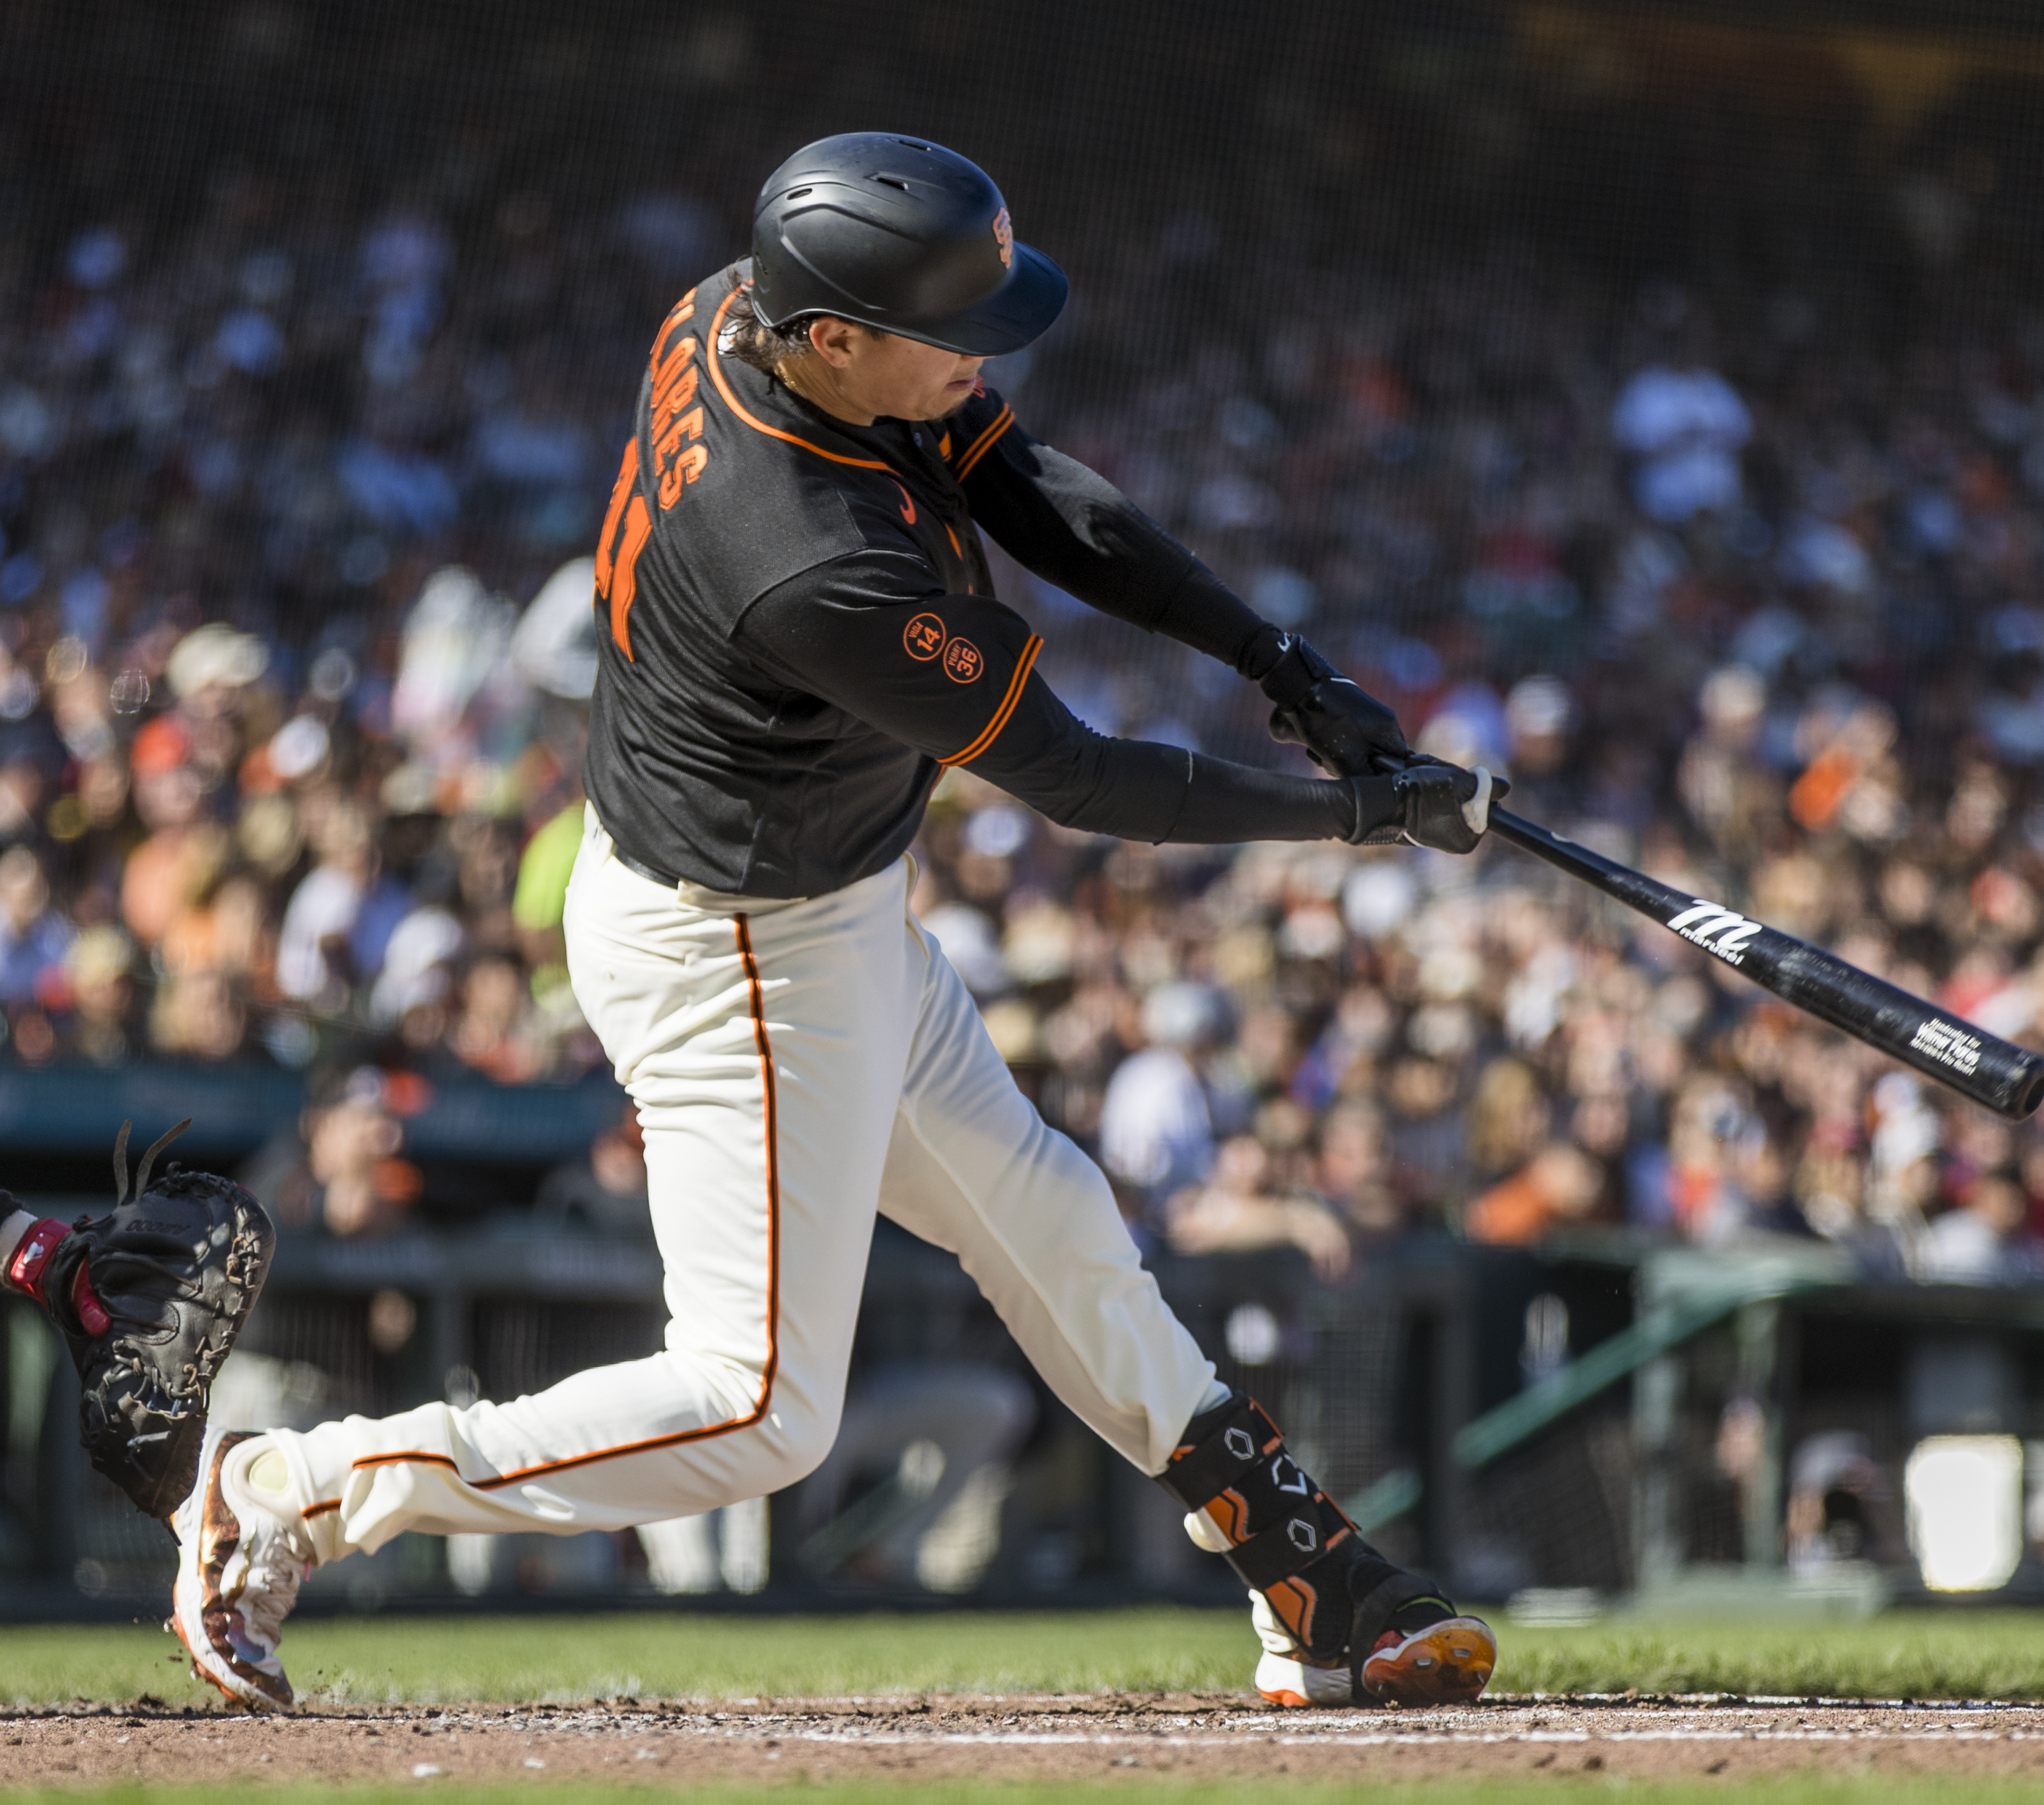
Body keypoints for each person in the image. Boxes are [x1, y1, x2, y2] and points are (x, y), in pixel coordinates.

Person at [166, 133, 1500, 1713]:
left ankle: (1312, 1578)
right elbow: (1076, 776)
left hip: (825, 898)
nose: (981, 355)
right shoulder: (803, 553)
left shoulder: (749, 310)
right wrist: (1358, 817)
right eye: (952, 330)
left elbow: (1031, 487)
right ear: (833, 336)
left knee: (1052, 1219)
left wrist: (1274, 657)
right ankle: (288, 1487)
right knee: (754, 1410)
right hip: (731, 944)